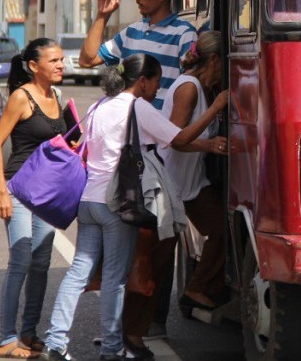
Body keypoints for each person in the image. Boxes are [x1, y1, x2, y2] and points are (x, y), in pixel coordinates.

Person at [43, 54, 228, 361]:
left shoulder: (98, 105)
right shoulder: (138, 106)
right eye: (155, 82)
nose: (156, 89)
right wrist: (215, 108)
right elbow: (178, 138)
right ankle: (114, 348)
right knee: (116, 279)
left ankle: (55, 341)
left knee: (78, 273)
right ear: (142, 81)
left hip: (88, 200)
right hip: (118, 202)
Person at [122, 32, 231, 358]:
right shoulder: (188, 88)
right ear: (214, 61)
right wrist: (214, 113)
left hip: (192, 184)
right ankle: (130, 334)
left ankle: (197, 289)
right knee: (151, 265)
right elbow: (177, 139)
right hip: (170, 188)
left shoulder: (199, 87)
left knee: (221, 230)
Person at [0, 38, 66, 359]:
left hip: (47, 193)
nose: (61, 65)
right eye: (54, 61)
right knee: (20, 260)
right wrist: (0, 191)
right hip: (18, 188)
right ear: (34, 66)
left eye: (62, 60)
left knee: (42, 263)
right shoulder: (21, 98)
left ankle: (29, 333)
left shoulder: (57, 96)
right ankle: (7, 336)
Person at [79, 0, 197, 110]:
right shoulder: (131, 32)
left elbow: (189, 89)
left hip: (159, 130)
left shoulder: (184, 34)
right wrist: (102, 16)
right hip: (127, 128)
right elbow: (87, 60)